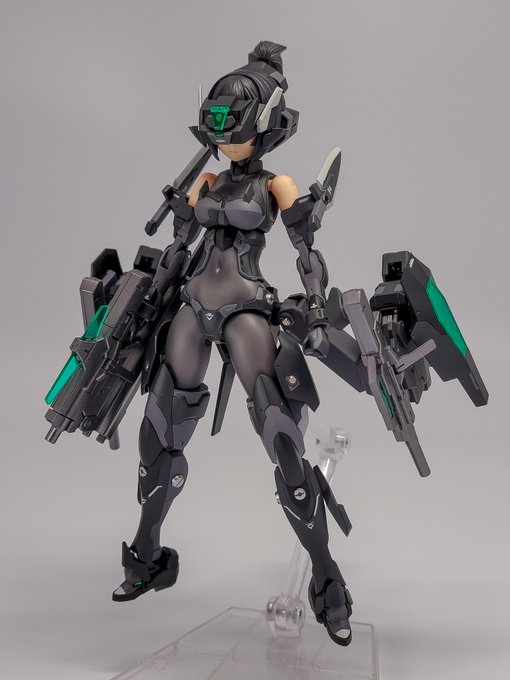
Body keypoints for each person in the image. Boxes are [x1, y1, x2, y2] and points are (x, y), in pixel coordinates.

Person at [112, 40, 353, 646]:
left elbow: (308, 254)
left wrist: (317, 307)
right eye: (214, 120)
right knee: (158, 431)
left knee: (282, 437)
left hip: (246, 309)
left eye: (232, 119)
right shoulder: (208, 179)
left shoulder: (276, 184)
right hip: (193, 308)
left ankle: (327, 580)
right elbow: (176, 252)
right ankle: (147, 555)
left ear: (264, 121)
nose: (221, 132)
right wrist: (143, 299)